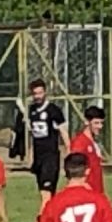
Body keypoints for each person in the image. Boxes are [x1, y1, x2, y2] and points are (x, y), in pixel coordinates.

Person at [27, 78, 67, 209]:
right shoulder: (31, 110)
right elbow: (32, 135)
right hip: (39, 156)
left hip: (50, 156)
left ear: (45, 92)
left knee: (46, 191)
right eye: (35, 94)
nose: (37, 96)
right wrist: (30, 155)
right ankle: (53, 220)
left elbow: (63, 131)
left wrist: (69, 149)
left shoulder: (53, 110)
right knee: (46, 192)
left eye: (40, 93)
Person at [68, 105, 107, 194]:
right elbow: (75, 168)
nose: (100, 126)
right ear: (87, 122)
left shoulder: (94, 142)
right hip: (85, 191)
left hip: (96, 190)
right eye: (96, 123)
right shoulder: (80, 142)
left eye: (101, 123)